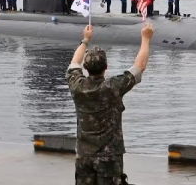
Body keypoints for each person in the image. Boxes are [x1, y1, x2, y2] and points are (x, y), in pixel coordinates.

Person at [66, 23, 153, 184]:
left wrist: (85, 39)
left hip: (84, 156)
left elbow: (73, 64)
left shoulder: (77, 86)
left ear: (86, 67)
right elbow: (139, 67)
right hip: (109, 158)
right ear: (106, 67)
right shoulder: (113, 87)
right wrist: (146, 38)